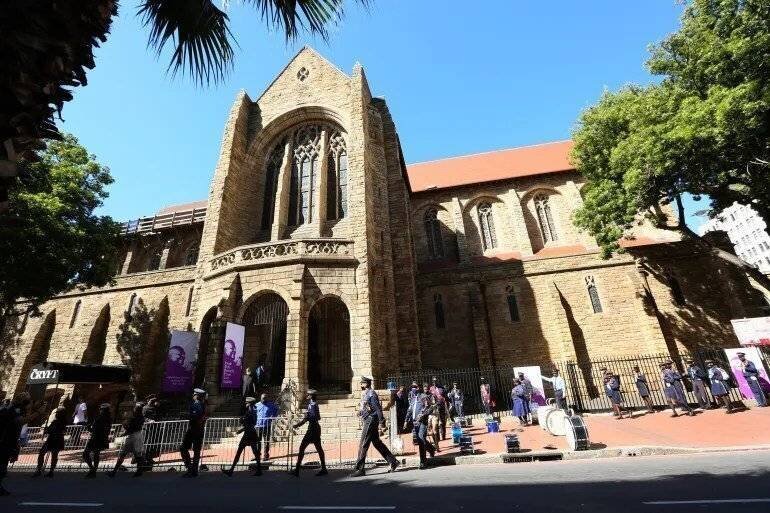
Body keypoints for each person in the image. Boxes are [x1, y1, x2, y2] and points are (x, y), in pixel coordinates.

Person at [351, 376, 399, 477]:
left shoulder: (372, 394)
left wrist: (382, 421)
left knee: (363, 443)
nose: (361, 385)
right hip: (368, 419)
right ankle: (393, 461)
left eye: (362, 383)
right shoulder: (366, 394)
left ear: (367, 384)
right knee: (377, 443)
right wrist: (360, 412)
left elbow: (377, 409)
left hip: (370, 420)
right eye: (361, 383)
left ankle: (360, 468)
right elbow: (367, 407)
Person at [290, 389, 327, 477]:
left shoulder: (312, 405)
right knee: (318, 448)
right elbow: (316, 417)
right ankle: (324, 468)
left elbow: (314, 417)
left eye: (308, 395)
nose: (306, 396)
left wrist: (297, 424)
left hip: (312, 429)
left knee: (302, 448)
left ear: (311, 396)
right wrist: (307, 416)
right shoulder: (313, 404)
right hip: (315, 428)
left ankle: (297, 471)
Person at [221, 397, 261, 477]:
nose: (245, 404)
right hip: (251, 433)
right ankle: (259, 470)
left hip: (248, 434)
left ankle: (231, 470)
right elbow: (250, 424)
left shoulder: (250, 412)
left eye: (246, 403)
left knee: (240, 452)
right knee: (254, 452)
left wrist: (242, 422)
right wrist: (241, 429)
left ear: (249, 404)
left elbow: (248, 424)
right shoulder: (253, 412)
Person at [0, 394, 31, 496]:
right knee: (2, 467)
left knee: (3, 466)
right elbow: (20, 421)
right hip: (4, 441)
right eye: (27, 399)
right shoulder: (16, 409)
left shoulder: (11, 409)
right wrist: (38, 413)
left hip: (8, 441)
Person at [107, 402, 146, 478]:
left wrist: (124, 427)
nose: (133, 409)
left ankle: (114, 472)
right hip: (137, 435)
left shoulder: (135, 418)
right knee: (137, 454)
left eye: (135, 408)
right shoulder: (140, 417)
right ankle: (139, 471)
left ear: (137, 409)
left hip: (133, 436)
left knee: (124, 454)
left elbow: (130, 429)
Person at [403, 385, 435, 470]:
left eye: (415, 387)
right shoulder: (413, 399)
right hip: (415, 422)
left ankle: (423, 462)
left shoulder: (424, 397)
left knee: (421, 438)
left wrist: (423, 415)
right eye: (412, 387)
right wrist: (406, 420)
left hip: (422, 421)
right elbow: (409, 410)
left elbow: (430, 408)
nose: (413, 389)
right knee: (420, 439)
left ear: (418, 388)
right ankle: (431, 449)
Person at [32, 407, 67, 477]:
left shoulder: (57, 422)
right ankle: (51, 471)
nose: (56, 414)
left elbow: (51, 430)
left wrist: (47, 430)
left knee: (42, 453)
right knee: (54, 456)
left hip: (52, 440)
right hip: (58, 440)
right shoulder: (63, 422)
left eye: (57, 413)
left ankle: (39, 470)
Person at [180, 388, 206, 477]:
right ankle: (194, 470)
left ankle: (190, 468)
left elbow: (196, 417)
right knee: (196, 451)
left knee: (183, 448)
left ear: (197, 396)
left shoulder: (197, 404)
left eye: (194, 394)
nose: (193, 396)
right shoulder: (201, 404)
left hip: (194, 429)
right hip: (198, 429)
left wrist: (187, 416)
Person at [83, 403, 112, 477]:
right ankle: (93, 471)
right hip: (101, 438)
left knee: (86, 454)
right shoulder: (109, 419)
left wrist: (89, 428)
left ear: (103, 410)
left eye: (101, 409)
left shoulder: (100, 418)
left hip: (95, 438)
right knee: (96, 454)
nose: (100, 410)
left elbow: (96, 429)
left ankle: (92, 470)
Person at [254, 393, 278, 460]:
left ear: (267, 398)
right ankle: (257, 455)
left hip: (267, 425)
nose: (264, 399)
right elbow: (254, 413)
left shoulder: (271, 405)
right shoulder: (256, 405)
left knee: (266, 441)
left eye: (265, 398)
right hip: (258, 426)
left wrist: (273, 416)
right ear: (260, 398)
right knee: (258, 441)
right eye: (263, 398)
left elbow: (276, 410)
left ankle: (266, 455)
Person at [142, 396, 161, 467]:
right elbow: (143, 417)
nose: (153, 402)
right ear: (148, 401)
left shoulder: (155, 408)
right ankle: (144, 458)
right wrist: (149, 420)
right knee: (146, 443)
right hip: (147, 429)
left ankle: (149, 457)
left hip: (154, 428)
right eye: (152, 401)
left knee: (152, 443)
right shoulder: (145, 408)